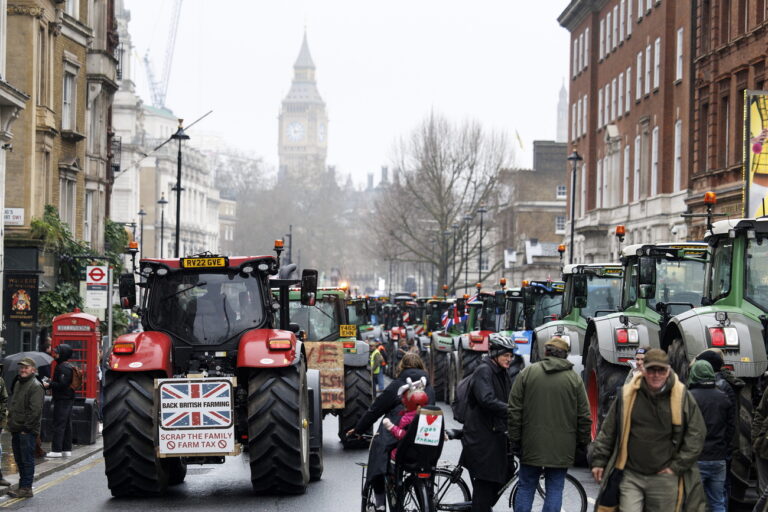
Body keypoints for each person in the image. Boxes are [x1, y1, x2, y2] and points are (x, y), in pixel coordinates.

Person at [590, 348, 707, 512]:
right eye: (652, 370)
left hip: (665, 477)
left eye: (661, 370)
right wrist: (599, 461)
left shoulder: (682, 397)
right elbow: (608, 431)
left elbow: (696, 435)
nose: (656, 375)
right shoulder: (627, 395)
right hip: (631, 474)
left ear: (668, 371)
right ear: (643, 370)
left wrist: (676, 467)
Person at [508, 336, 591, 512]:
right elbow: (584, 416)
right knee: (555, 489)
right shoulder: (574, 380)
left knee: (526, 486)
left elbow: (514, 410)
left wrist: (515, 440)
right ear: (565, 355)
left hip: (531, 444)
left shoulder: (528, 373)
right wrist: (582, 443)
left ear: (545, 352)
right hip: (562, 447)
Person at [347, 352, 434, 512]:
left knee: (378, 456)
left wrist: (359, 429)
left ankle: (380, 502)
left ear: (402, 367)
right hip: (423, 439)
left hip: (399, 438)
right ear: (421, 366)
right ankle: (429, 496)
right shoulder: (428, 387)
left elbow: (376, 409)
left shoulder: (397, 385)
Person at [459, 333, 516, 512]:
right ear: (495, 354)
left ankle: (481, 507)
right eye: (506, 355)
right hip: (482, 440)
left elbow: (509, 397)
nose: (509, 359)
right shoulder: (484, 370)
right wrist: (513, 411)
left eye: (511, 355)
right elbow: (486, 399)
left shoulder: (501, 372)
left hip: (495, 436)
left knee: (507, 472)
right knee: (485, 486)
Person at [687, 360, 733, 512]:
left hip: (696, 459)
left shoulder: (689, 397)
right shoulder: (723, 397)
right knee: (717, 502)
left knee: (693, 503)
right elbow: (730, 428)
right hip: (718, 459)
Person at [7, 358, 44, 498]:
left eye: (26, 368)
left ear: (33, 370)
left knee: (27, 460)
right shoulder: (18, 382)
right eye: (21, 368)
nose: (23, 370)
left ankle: (26, 488)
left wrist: (26, 429)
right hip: (16, 428)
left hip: (26, 430)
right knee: (19, 459)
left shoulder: (35, 385)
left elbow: (35, 411)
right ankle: (23, 486)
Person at [382, 376, 428, 460]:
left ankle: (393, 473)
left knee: (391, 453)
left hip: (408, 453)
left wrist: (391, 427)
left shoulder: (406, 419)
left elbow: (403, 436)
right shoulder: (427, 415)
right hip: (425, 453)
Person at [44, 344, 76, 458]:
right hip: (67, 399)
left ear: (63, 354)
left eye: (57, 352)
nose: (55, 354)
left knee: (58, 424)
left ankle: (56, 450)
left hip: (62, 399)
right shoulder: (67, 366)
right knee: (66, 425)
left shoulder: (62, 367)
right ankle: (66, 449)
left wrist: (49, 384)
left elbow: (62, 384)